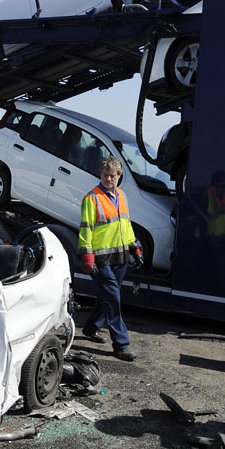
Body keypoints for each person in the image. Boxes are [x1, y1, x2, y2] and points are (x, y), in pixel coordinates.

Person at [79, 155, 142, 362]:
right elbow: (86, 228)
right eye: (105, 175)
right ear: (101, 174)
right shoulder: (91, 198)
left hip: (120, 256)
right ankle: (121, 344)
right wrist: (87, 257)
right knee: (113, 299)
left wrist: (135, 247)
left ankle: (91, 328)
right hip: (100, 259)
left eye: (112, 175)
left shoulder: (122, 196)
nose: (109, 179)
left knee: (108, 297)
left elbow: (125, 224)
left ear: (119, 176)